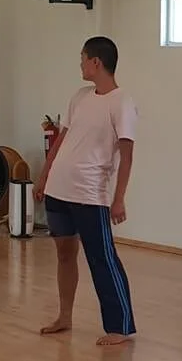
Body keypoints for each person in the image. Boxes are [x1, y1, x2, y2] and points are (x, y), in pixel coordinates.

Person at [36, 36, 138, 345]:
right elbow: (61, 140)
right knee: (65, 254)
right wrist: (44, 176)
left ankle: (120, 326)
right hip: (59, 189)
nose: (80, 64)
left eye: (83, 59)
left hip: (90, 193)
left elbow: (127, 156)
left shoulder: (121, 101)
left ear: (96, 62)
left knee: (102, 258)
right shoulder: (80, 96)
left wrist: (119, 199)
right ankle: (64, 316)